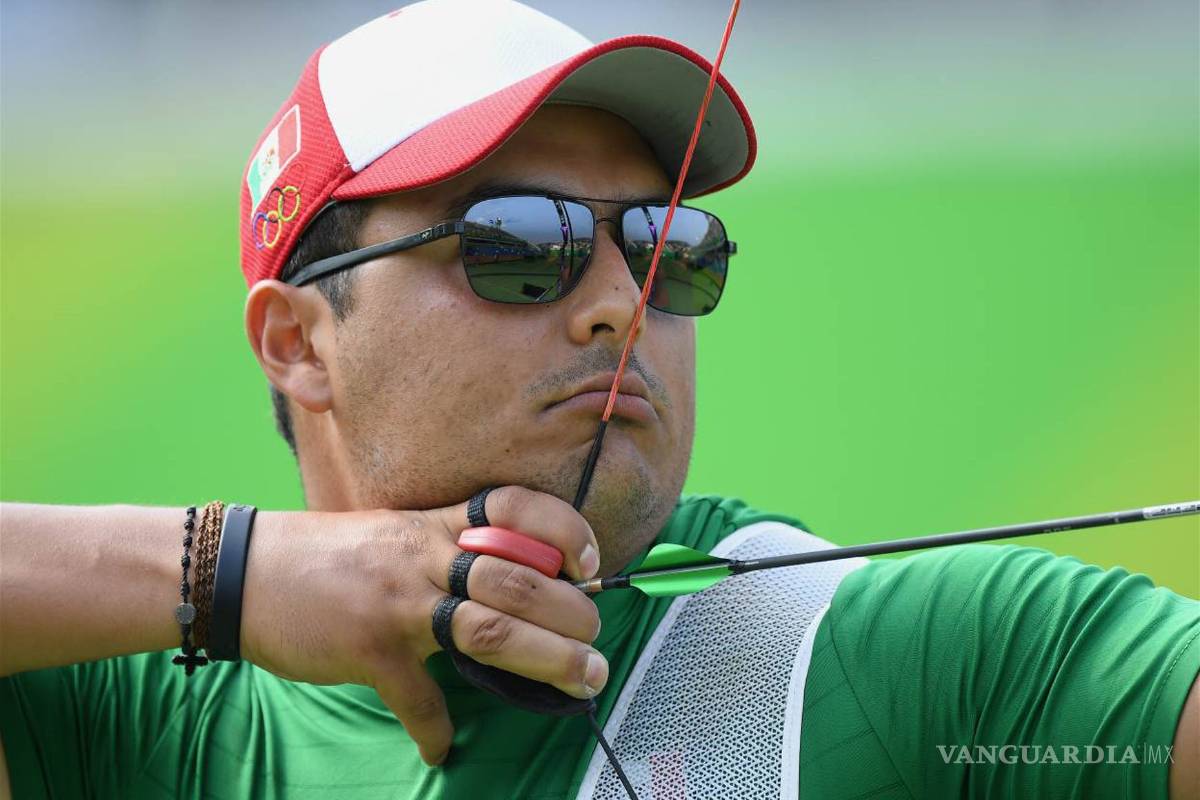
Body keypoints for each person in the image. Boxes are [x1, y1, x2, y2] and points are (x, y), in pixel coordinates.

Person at [1, 2, 1196, 798]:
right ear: (298, 343)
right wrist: (230, 574)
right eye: (521, 242)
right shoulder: (138, 724)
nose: (622, 302)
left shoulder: (916, 660)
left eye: (668, 245)